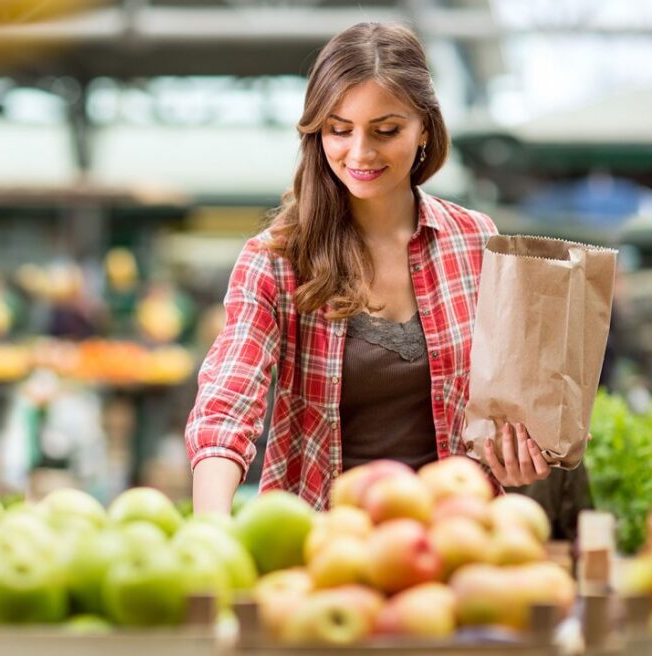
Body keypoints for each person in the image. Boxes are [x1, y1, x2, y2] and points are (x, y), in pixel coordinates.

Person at [185, 22, 551, 514]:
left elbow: (511, 404)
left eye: (386, 130)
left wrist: (520, 454)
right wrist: (212, 523)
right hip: (324, 543)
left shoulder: (475, 241)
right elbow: (229, 399)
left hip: (455, 536)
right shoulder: (276, 258)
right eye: (339, 130)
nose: (359, 153)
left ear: (424, 126)